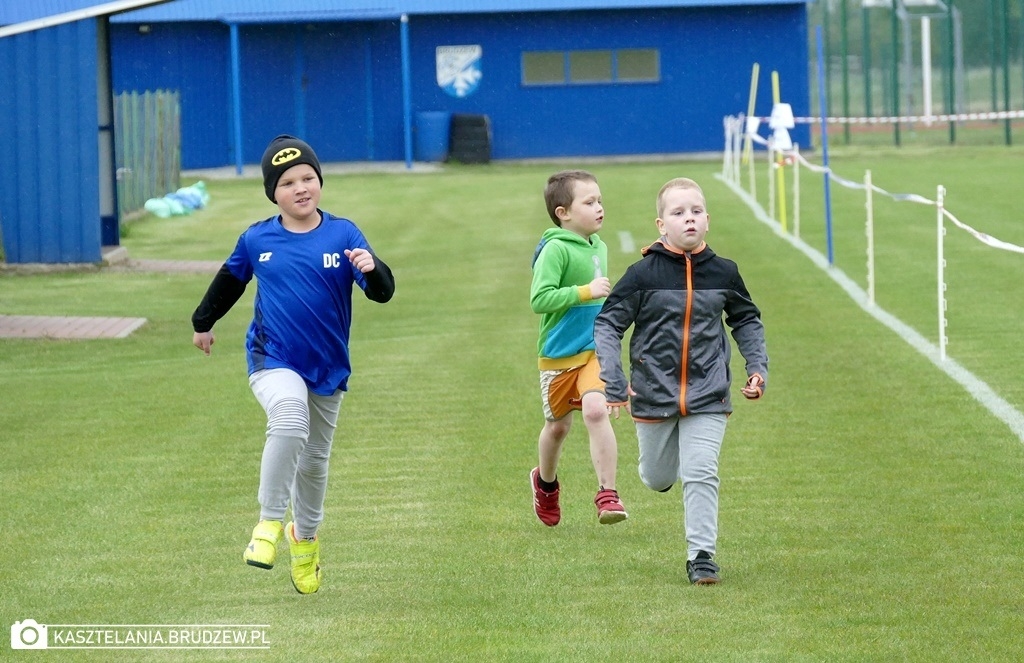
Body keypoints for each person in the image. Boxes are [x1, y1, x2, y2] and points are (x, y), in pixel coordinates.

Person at [190, 135, 396, 594]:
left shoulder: (344, 234)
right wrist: (202, 322)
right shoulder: (257, 238)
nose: (300, 188)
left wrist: (372, 267)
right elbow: (228, 282)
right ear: (273, 193)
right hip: (273, 358)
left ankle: (304, 541)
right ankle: (267, 524)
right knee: (288, 417)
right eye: (287, 183)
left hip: (328, 366)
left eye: (307, 178)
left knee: (315, 462)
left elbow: (382, 292)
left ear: (319, 181)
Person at [594, 177, 767, 585]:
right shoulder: (642, 276)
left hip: (709, 392)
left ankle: (701, 556)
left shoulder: (724, 272)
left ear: (707, 220)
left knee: (701, 470)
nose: (688, 218)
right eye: (678, 212)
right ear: (661, 224)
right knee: (658, 477)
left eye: (696, 211)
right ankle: (659, 474)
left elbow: (746, 319)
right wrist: (614, 380)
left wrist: (756, 366)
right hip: (653, 394)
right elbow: (607, 324)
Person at [529, 169, 627, 527]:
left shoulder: (599, 245)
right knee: (557, 428)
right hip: (558, 355)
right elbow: (540, 299)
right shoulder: (555, 249)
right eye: (589, 202)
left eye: (600, 200)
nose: (599, 207)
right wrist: (585, 291)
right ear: (564, 213)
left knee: (597, 411)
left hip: (594, 351)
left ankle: (607, 494)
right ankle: (545, 484)